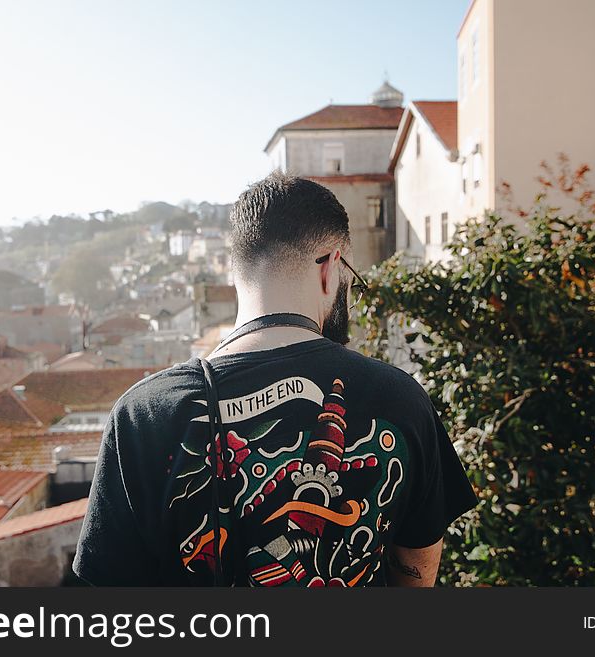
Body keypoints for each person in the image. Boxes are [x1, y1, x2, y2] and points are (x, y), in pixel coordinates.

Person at [73, 172, 478, 587]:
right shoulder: (401, 398)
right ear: (330, 267)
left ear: (236, 272)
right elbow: (416, 573)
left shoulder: (142, 414)